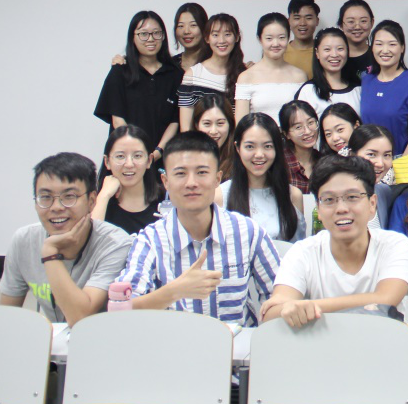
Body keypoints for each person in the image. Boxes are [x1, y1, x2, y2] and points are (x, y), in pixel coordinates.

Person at [115, 132, 279, 325]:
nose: (191, 183)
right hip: (173, 342)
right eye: (180, 173)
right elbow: (119, 309)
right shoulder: (151, 240)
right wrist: (174, 291)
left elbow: (278, 296)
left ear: (217, 179)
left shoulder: (248, 232)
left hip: (235, 342)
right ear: (166, 182)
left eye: (202, 172)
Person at [262, 155, 408, 327]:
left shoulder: (394, 245)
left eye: (352, 197)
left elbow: (386, 299)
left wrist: (310, 306)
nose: (341, 209)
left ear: (372, 204)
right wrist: (287, 308)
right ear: (318, 209)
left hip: (383, 340)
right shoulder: (303, 252)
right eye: (329, 200)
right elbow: (271, 315)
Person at [0, 152, 133, 325]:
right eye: (45, 197)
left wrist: (50, 253)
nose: (56, 207)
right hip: (53, 338)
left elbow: (80, 318)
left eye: (69, 197)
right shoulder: (24, 240)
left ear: (92, 201)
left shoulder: (115, 244)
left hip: (101, 337)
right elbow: (5, 316)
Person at [94, 10, 181, 159]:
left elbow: (175, 120)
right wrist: (137, 153)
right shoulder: (120, 71)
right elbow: (118, 120)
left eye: (156, 33)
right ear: (132, 37)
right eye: (143, 34)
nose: (151, 39)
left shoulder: (176, 74)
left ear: (163, 36)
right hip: (127, 157)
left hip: (163, 156)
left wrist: (158, 152)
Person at [219, 113, 304, 242]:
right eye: (250, 146)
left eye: (267, 146)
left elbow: (298, 247)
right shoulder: (221, 195)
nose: (259, 154)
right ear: (237, 148)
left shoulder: (293, 195)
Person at [359, 20, 408, 156]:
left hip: (402, 158)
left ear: (402, 48)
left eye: (392, 44)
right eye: (379, 44)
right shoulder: (367, 81)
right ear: (372, 47)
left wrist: (402, 163)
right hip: (367, 159)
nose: (385, 50)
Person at [234, 12, 306, 124]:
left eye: (281, 37)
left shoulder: (299, 76)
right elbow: (240, 124)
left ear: (288, 38)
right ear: (260, 39)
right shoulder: (246, 77)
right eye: (269, 38)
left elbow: (304, 118)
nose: (275, 43)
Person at [178, 13, 246, 131]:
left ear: (237, 38)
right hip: (200, 142)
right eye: (215, 35)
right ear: (207, 38)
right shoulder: (193, 75)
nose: (222, 40)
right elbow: (186, 128)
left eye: (227, 34)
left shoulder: (244, 75)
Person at [92, 125, 164, 235]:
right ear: (107, 162)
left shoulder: (166, 200)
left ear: (149, 160)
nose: (129, 164)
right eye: (120, 156)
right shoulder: (98, 203)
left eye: (137, 156)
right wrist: (104, 196)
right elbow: (91, 242)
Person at [294, 28, 363, 115]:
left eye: (340, 49)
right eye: (327, 49)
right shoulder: (308, 90)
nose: (334, 54)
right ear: (317, 53)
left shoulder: (358, 89)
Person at [279, 99, 320, 193]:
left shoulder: (324, 161)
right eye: (298, 127)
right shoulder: (280, 164)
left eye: (310, 122)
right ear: (286, 134)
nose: (308, 131)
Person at [343, 123, 398, 189]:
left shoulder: (385, 191)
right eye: (371, 154)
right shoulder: (337, 189)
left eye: (386, 155)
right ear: (352, 155)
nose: (380, 164)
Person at [338, 0, 376, 78]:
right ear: (341, 25)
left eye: (363, 21)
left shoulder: (378, 55)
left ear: (372, 22)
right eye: (351, 21)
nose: (357, 27)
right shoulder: (334, 57)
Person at [284, 0, 320, 78]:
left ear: (317, 21)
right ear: (289, 21)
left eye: (308, 18)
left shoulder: (325, 52)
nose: (302, 23)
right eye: (297, 18)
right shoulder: (280, 52)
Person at [172, 2, 210, 73]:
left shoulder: (214, 63)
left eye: (193, 25)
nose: (186, 31)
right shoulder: (171, 65)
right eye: (181, 26)